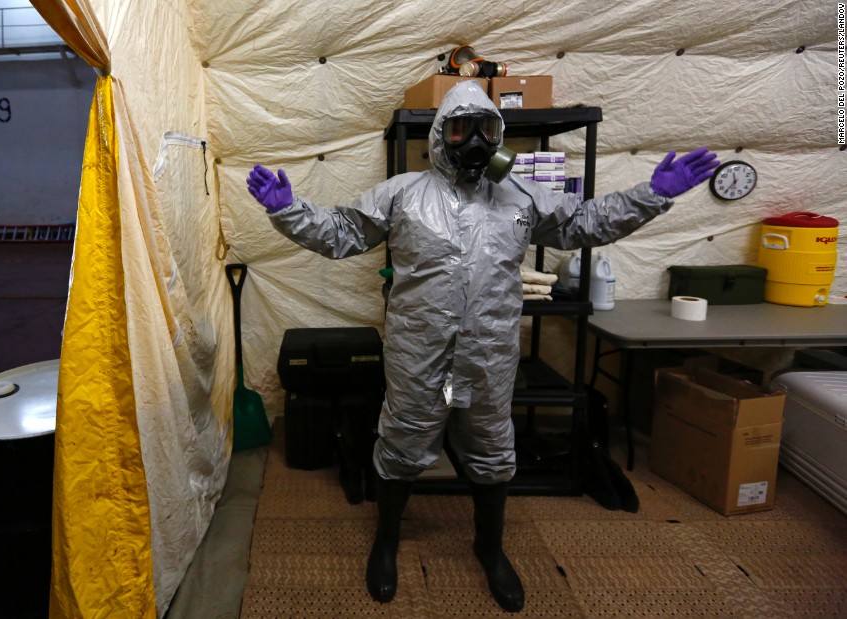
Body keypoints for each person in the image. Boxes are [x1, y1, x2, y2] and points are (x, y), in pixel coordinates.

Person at [245, 80, 718, 612]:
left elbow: (582, 223)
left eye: (487, 129)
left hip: (487, 358)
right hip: (417, 358)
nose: (475, 140)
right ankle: (387, 540)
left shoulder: (518, 194)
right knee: (400, 447)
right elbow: (341, 233)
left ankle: (489, 548)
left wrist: (652, 195)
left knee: (493, 453)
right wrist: (289, 210)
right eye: (460, 127)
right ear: (439, 135)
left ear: (499, 136)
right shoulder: (402, 193)